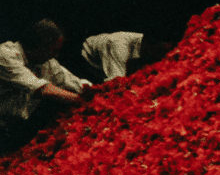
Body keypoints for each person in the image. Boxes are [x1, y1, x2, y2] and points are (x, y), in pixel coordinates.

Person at [0, 18, 96, 152]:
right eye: (54, 50)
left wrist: (94, 92)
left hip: (12, 128)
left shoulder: (47, 63)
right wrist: (79, 100)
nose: (55, 56)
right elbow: (40, 88)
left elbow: (72, 81)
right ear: (41, 45)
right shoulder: (5, 55)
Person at [80, 31, 174, 81]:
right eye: (160, 51)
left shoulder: (149, 48)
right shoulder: (119, 46)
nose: (163, 56)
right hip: (87, 61)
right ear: (147, 44)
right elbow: (115, 82)